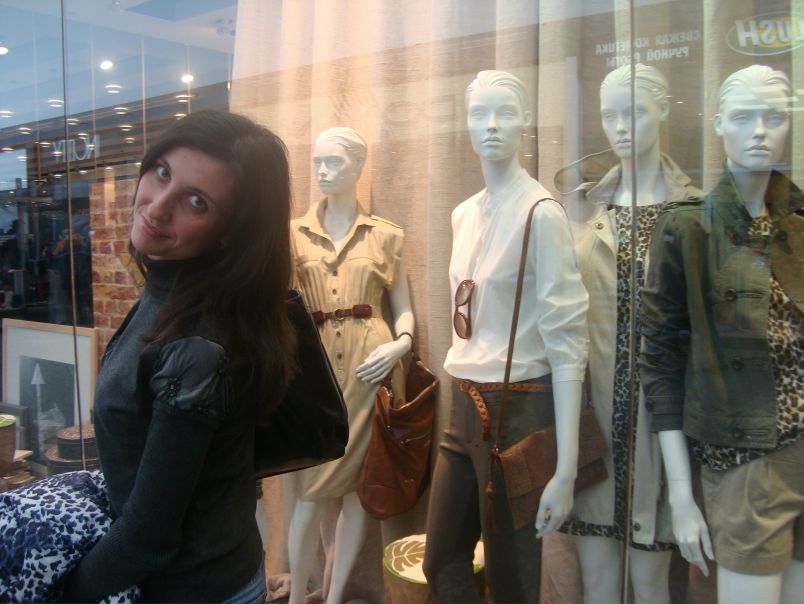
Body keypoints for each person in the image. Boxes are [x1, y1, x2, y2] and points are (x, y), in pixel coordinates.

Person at [61, 109, 298, 604]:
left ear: (230, 232)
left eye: (196, 201)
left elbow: (149, 536)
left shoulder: (196, 344)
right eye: (162, 172)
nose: (157, 206)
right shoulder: (173, 291)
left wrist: (61, 591)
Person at [422, 70, 589, 603]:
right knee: (441, 560)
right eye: (479, 114)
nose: (491, 125)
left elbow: (568, 340)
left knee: (511, 575)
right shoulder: (463, 214)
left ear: (526, 122)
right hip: (462, 403)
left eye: (505, 113)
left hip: (518, 407)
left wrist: (566, 467)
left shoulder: (542, 214)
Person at [640, 65, 803, 604]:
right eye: (743, 117)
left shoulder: (800, 220)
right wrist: (681, 493)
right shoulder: (688, 228)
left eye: (774, 117)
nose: (760, 131)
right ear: (717, 124)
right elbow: (659, 360)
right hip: (746, 459)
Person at [557, 63, 701, 604]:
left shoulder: (694, 211)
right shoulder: (585, 211)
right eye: (609, 115)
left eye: (634, 112)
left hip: (662, 430)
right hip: (595, 424)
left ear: (663, 111)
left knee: (650, 582)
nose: (620, 127)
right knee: (596, 581)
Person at [288, 127, 414, 604]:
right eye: (317, 161)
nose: (322, 171)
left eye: (334, 162)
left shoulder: (386, 235)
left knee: (359, 489)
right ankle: (297, 596)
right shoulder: (293, 234)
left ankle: (334, 595)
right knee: (310, 493)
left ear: (359, 166)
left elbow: (403, 309)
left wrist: (401, 344)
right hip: (314, 372)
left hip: (371, 369)